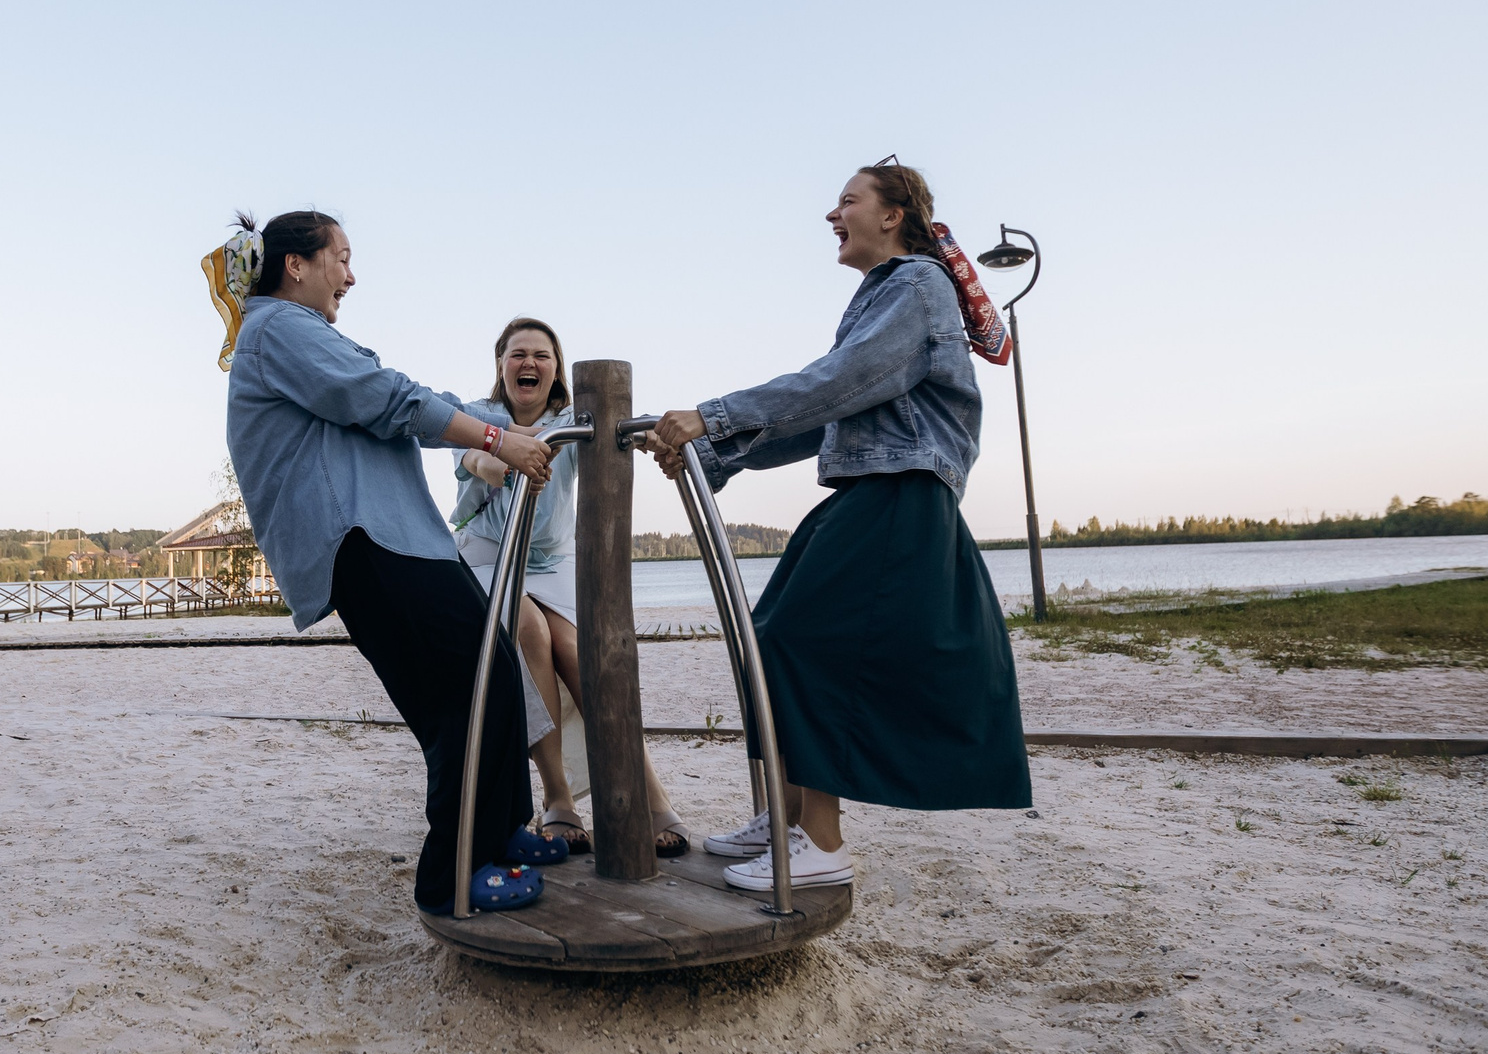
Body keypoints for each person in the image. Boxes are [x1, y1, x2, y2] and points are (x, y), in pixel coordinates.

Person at [644, 158, 1032, 893]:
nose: (832, 214)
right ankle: (790, 815)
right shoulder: (880, 295)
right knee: (772, 637)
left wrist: (713, 416)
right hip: (868, 486)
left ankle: (821, 840)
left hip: (901, 491)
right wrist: (712, 451)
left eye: (847, 201)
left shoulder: (918, 284)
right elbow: (832, 411)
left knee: (801, 641)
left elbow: (845, 380)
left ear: (892, 215)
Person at [209, 211, 563, 916]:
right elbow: (384, 400)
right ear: (296, 265)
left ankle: (499, 832)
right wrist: (497, 434)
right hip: (362, 540)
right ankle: (452, 876)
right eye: (341, 256)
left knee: (493, 668)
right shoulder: (276, 328)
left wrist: (515, 433)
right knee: (458, 693)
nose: (351, 273)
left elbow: (414, 401)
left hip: (398, 537)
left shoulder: (304, 335)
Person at [449, 317, 690, 857]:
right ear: (500, 366)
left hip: (551, 562)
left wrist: (659, 441)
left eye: (541, 354)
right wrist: (499, 457)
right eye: (517, 354)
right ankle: (559, 799)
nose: (528, 363)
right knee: (529, 633)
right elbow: (470, 461)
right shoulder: (480, 416)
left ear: (557, 370)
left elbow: (623, 436)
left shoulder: (572, 421)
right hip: (489, 556)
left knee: (579, 651)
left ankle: (649, 796)